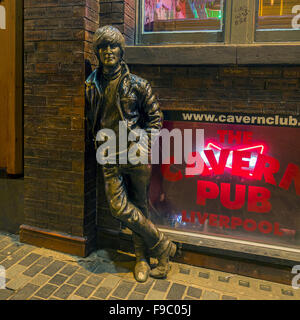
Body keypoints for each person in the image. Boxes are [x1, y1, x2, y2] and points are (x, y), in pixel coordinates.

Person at [85, 25, 176, 282]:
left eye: (113, 46)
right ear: (97, 52)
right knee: (118, 207)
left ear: (121, 50)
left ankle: (142, 260)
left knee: (139, 206)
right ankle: (163, 244)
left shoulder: (138, 84)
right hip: (108, 154)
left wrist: (143, 144)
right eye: (102, 47)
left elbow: (156, 119)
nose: (108, 51)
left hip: (135, 155)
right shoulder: (90, 85)